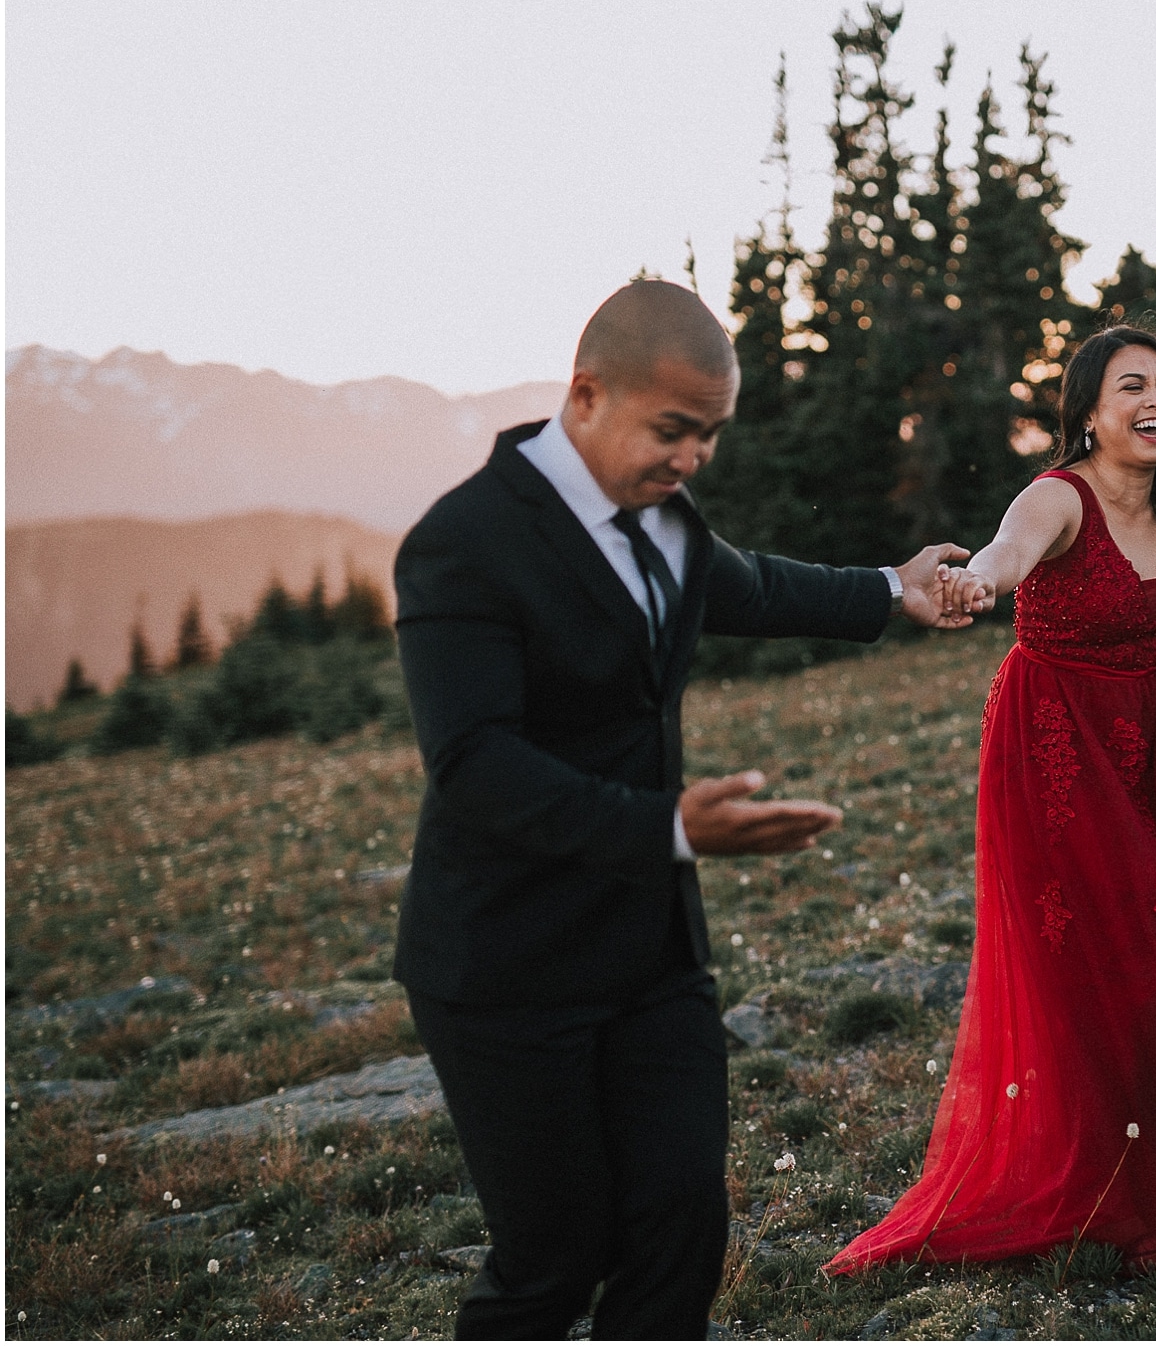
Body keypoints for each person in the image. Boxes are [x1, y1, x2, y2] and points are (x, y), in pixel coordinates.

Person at [391, 279, 968, 1339]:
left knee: (679, 1228)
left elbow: (742, 587)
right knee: (552, 1266)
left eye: (708, 436)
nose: (692, 458)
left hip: (649, 952)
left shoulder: (660, 513)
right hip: (505, 966)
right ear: (585, 395)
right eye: (673, 430)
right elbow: (473, 766)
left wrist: (893, 586)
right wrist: (667, 830)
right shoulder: (462, 543)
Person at [825, 324, 1156, 1273]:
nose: (1154, 401)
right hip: (1061, 758)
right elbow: (1006, 555)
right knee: (1100, 963)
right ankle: (1092, 1179)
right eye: (1131, 387)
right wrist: (972, 584)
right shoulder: (1056, 498)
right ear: (1089, 413)